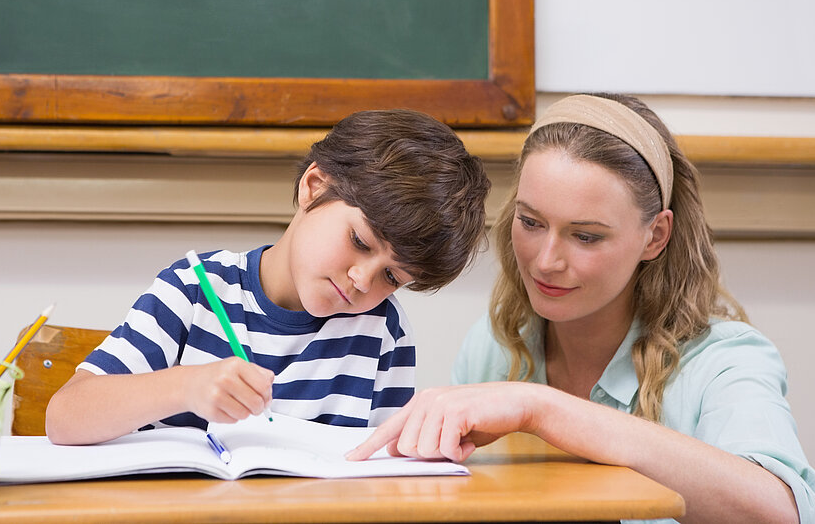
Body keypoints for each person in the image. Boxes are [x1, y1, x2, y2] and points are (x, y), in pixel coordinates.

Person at [348, 94, 815, 524]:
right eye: (531, 222)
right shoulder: (496, 347)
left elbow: (779, 512)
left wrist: (543, 409)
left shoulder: (725, 360)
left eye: (586, 236)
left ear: (654, 236)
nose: (546, 260)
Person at [46, 109, 491, 445]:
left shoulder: (384, 334)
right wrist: (185, 386)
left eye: (392, 277)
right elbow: (64, 417)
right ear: (313, 187)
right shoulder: (195, 289)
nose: (362, 280)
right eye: (359, 241)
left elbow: (380, 467)